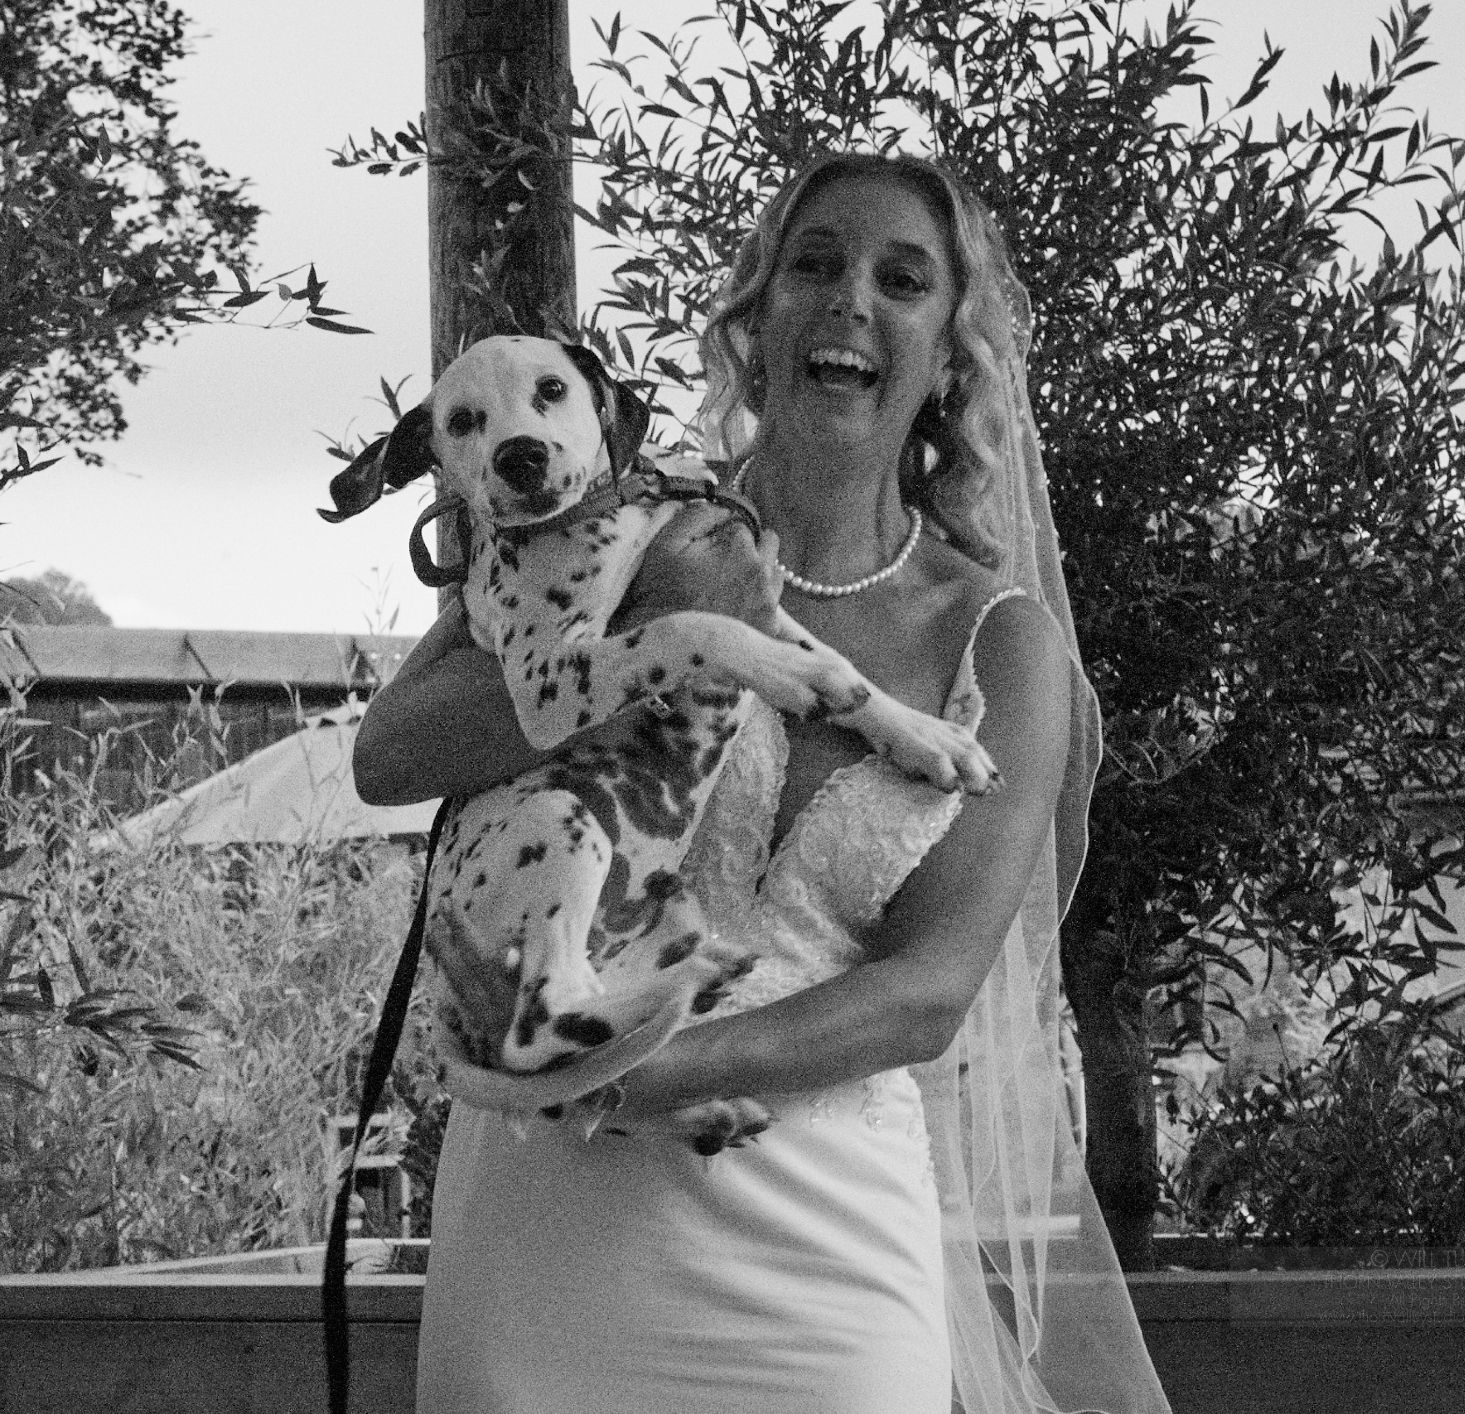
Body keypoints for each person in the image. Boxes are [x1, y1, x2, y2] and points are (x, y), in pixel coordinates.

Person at [355, 152, 1171, 1414]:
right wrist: (669, 615)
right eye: (813, 265)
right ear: (757, 317)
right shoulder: (623, 524)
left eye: (900, 279)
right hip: (545, 1234)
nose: (849, 299)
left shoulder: (999, 642)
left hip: (824, 1252)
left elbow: (925, 992)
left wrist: (618, 1075)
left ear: (947, 353)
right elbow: (390, 753)